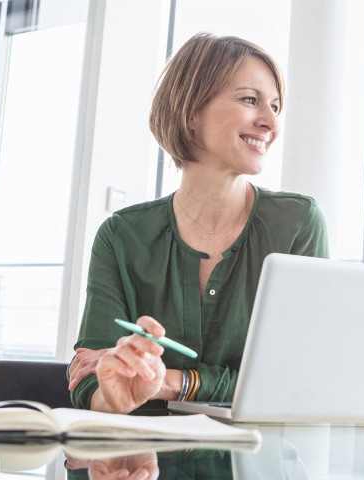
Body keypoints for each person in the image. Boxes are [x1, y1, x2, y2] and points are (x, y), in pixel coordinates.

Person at [68, 32, 329, 414]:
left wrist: (173, 382)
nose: (271, 122)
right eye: (250, 100)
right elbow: (90, 375)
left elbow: (296, 379)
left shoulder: (297, 223)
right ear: (191, 112)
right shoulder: (121, 236)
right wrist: (113, 394)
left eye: (275, 106)